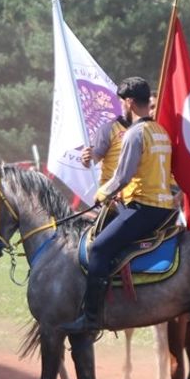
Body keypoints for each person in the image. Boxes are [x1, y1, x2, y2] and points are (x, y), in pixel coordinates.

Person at [62, 77, 177, 334]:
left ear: (128, 102)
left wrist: (101, 194)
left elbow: (122, 177)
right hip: (165, 209)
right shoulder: (161, 131)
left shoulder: (135, 134)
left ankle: (91, 319)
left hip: (143, 207)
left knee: (99, 249)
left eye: (121, 101)